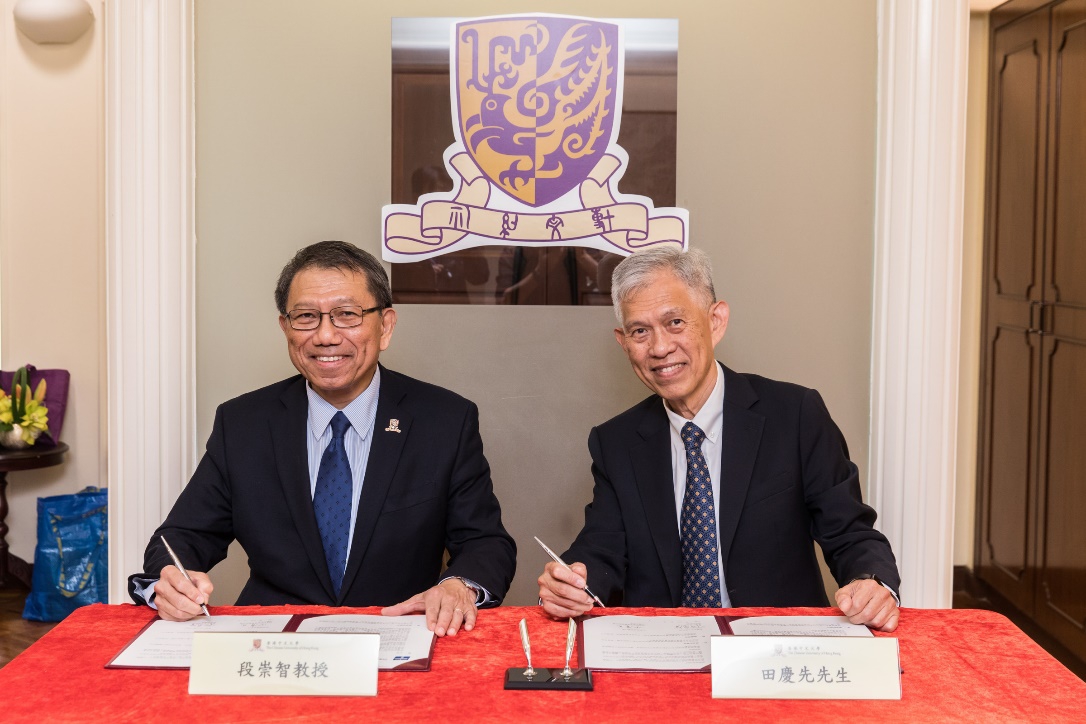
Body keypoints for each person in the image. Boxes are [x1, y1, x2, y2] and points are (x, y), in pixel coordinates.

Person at [129, 241, 516, 637]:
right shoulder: (243, 422)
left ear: (385, 326)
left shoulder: (444, 420)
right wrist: (170, 579)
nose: (326, 335)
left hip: (399, 635)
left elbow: (486, 543)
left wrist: (459, 585)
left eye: (347, 314)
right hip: (274, 641)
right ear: (285, 328)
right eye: (306, 317)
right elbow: (181, 536)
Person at [537, 247, 901, 631]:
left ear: (716, 321)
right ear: (623, 341)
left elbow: (850, 532)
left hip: (774, 651)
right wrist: (573, 582)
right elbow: (602, 548)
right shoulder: (616, 442)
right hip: (665, 651)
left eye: (675, 322)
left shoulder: (794, 415)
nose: (659, 348)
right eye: (640, 331)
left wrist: (871, 581)